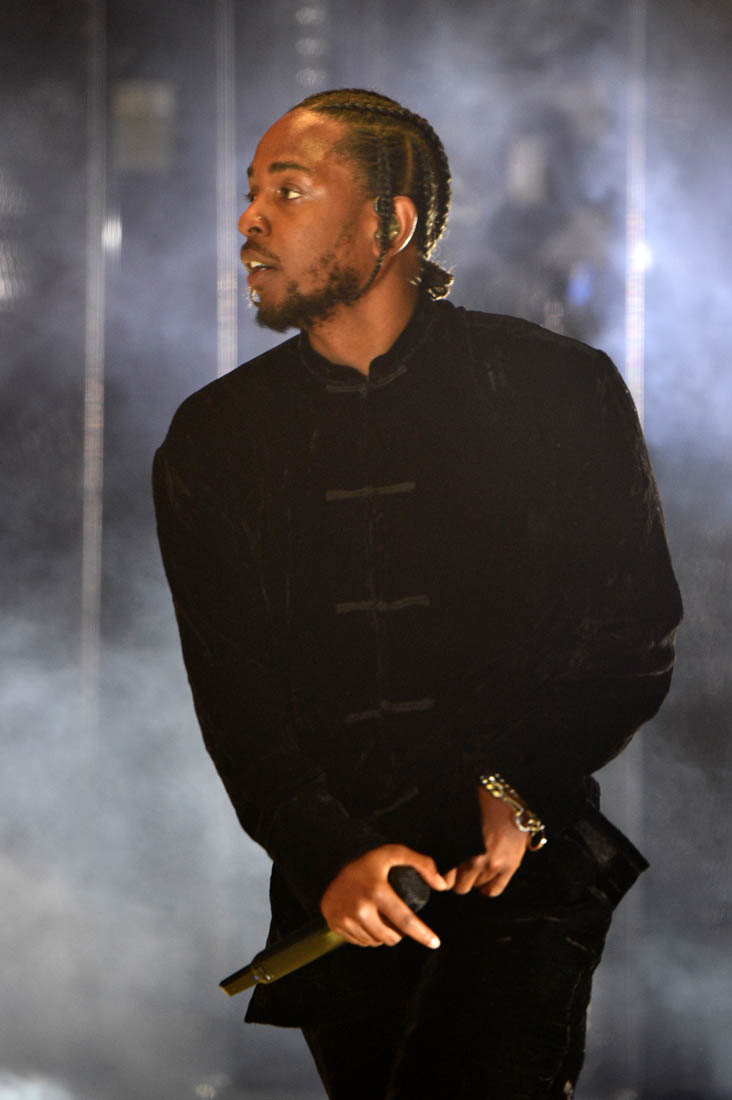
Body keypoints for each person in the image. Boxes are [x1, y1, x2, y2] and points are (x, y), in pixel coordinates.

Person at [153, 89, 682, 1099]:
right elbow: (236, 697)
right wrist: (330, 854)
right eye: (251, 192)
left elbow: (633, 633)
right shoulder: (216, 439)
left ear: (390, 223)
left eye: (289, 191)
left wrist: (517, 785)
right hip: (343, 905)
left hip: (519, 881)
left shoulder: (557, 390)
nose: (249, 219)